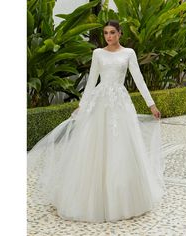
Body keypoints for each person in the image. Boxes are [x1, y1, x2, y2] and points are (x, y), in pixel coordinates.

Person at [27, 19, 166, 223]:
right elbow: (91, 81)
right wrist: (82, 106)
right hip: (99, 103)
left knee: (122, 147)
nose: (108, 37)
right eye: (105, 33)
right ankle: (90, 198)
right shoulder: (97, 54)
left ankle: (124, 198)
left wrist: (151, 104)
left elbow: (139, 80)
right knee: (94, 148)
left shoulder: (129, 53)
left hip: (120, 104)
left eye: (112, 32)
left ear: (120, 33)